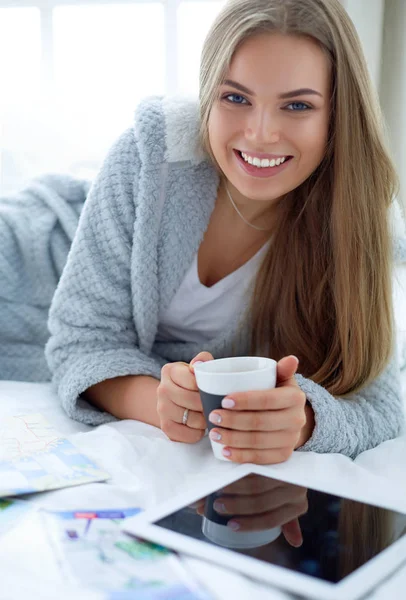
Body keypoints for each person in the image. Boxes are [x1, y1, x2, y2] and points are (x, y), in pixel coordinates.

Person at [45, 0, 405, 464]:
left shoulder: (362, 215)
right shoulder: (152, 157)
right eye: (236, 97)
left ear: (336, 115)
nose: (259, 134)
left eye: (297, 105)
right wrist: (159, 401)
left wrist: (306, 423)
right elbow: (79, 340)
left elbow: (381, 405)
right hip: (35, 258)